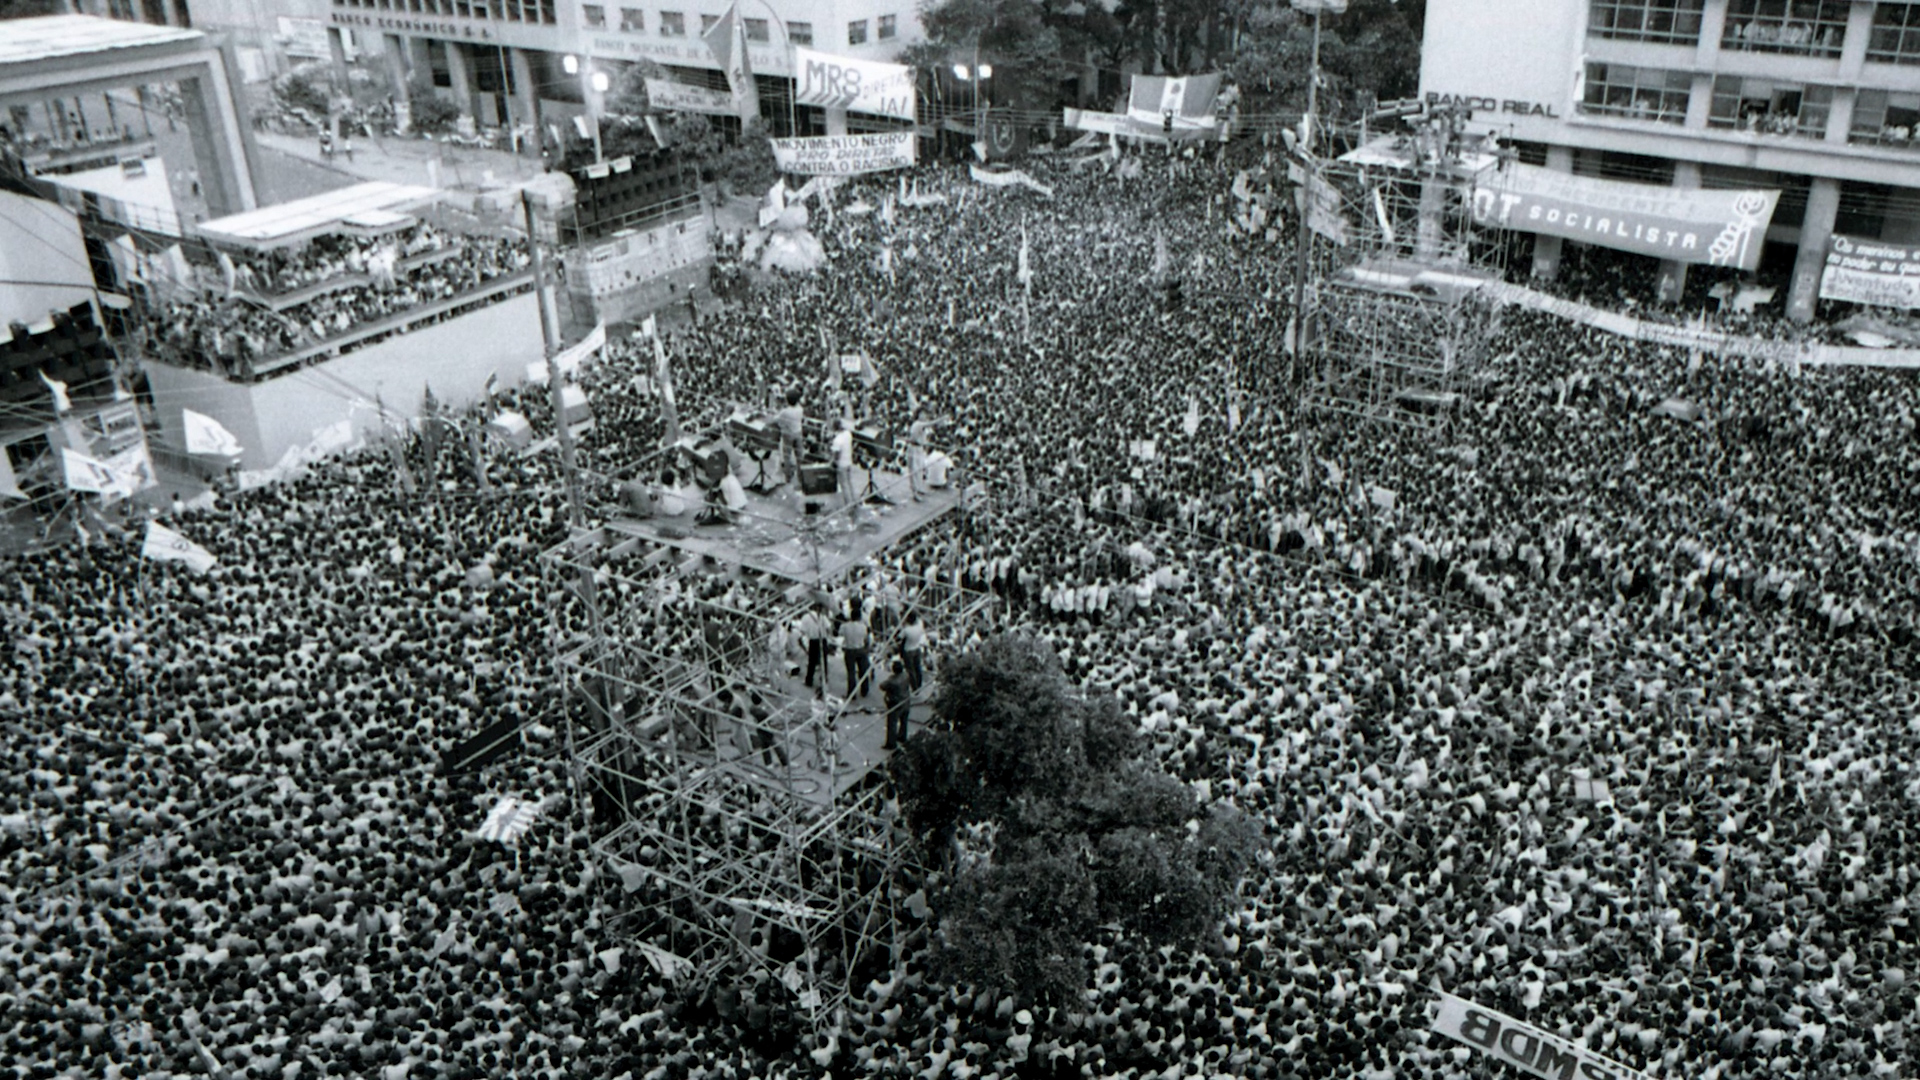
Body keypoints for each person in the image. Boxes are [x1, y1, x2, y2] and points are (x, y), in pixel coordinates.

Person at [839, 598, 872, 701]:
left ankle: (852, 694)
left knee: (851, 673)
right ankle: (865, 690)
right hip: (861, 649)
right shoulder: (863, 627)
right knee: (863, 670)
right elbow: (867, 636)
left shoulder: (845, 626)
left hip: (849, 650)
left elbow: (839, 633)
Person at [798, 603, 831, 693]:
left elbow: (802, 630)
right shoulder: (823, 617)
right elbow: (828, 628)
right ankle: (824, 680)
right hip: (822, 639)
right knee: (823, 661)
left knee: (812, 661)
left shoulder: (806, 617)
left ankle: (809, 680)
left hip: (813, 640)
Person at [880, 660, 912, 750]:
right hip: (906, 700)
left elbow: (882, 686)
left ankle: (891, 743)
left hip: (896, 703)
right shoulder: (906, 675)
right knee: (904, 720)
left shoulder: (892, 681)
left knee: (892, 723)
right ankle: (902, 736)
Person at [900, 610, 928, 694]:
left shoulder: (906, 630)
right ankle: (919, 685)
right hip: (917, 647)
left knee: (910, 670)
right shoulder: (919, 627)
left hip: (908, 650)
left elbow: (899, 637)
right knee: (917, 667)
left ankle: (915, 688)